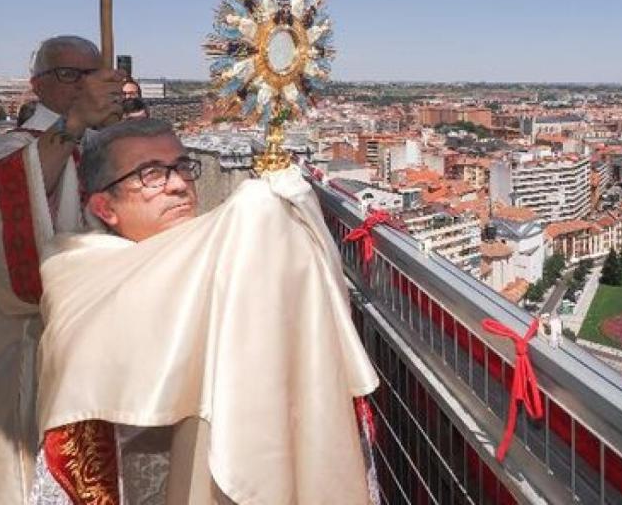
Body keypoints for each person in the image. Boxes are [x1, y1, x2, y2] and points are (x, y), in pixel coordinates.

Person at [35, 119, 380, 504]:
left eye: (183, 166)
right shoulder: (76, 265)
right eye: (151, 174)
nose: (180, 184)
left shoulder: (219, 256)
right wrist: (260, 203)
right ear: (105, 207)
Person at [0, 35, 125, 504]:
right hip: (22, 344)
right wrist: (75, 124)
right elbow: (11, 193)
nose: (83, 84)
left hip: (93, 344)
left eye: (93, 73)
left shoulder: (103, 147)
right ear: (37, 85)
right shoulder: (4, 153)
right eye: (68, 74)